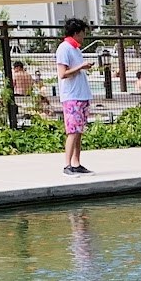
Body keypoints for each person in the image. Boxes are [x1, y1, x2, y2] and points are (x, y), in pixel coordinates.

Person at [54, 18, 94, 175]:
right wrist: (81, 66)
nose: (84, 37)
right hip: (72, 96)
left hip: (82, 95)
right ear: (76, 33)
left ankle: (76, 163)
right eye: (83, 34)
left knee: (79, 131)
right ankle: (67, 165)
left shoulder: (76, 49)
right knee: (72, 131)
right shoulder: (64, 49)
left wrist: (82, 67)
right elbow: (62, 74)